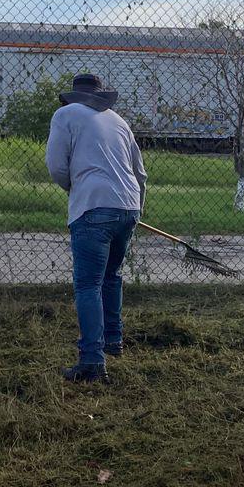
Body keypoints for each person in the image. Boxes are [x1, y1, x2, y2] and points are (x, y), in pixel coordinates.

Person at [45, 73, 148, 383]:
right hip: (128, 206)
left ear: (73, 95)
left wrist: (76, 189)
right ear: (100, 96)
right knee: (111, 276)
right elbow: (140, 173)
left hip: (93, 207)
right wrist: (135, 209)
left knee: (88, 284)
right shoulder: (119, 121)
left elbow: (56, 166)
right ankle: (113, 341)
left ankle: (92, 361)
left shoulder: (65, 114)